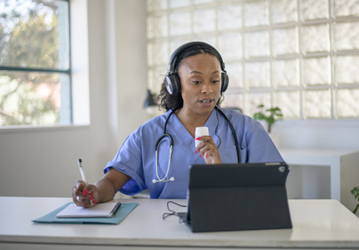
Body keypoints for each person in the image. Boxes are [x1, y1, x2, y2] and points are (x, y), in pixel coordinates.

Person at [72, 41, 283, 207]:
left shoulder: (247, 129)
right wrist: (95, 193)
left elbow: (270, 187)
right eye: (197, 81)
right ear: (175, 84)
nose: (208, 90)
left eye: (215, 80)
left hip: (229, 221)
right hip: (166, 228)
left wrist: (222, 172)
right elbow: (111, 182)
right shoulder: (148, 133)